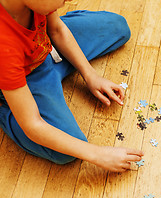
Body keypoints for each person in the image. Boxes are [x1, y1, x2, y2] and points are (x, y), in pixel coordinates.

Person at [0, 0, 144, 172]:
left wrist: (90, 75)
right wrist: (98, 154)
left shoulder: (38, 3)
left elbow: (57, 30)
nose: (67, 0)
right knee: (66, 152)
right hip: (27, 79)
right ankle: (4, 106)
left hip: (46, 47)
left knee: (119, 27)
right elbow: (32, 125)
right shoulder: (4, 46)